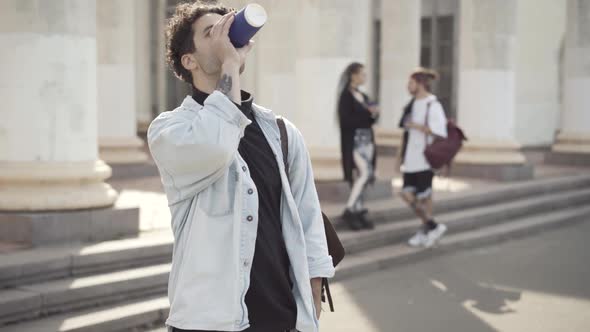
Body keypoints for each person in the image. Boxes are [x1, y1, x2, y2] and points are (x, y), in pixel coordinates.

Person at [147, 2, 335, 331]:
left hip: (280, 316)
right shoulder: (170, 130)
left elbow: (307, 213)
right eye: (212, 33)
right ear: (188, 60)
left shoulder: (281, 132)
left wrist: (315, 282)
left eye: (228, 29)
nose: (225, 38)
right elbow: (216, 147)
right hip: (207, 321)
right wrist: (229, 67)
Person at [397, 68, 448, 248]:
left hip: (425, 158)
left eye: (411, 83)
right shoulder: (411, 104)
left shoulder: (432, 104)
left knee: (424, 198)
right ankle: (432, 226)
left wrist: (417, 126)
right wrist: (399, 158)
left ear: (420, 84)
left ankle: (426, 230)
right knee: (406, 194)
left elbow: (439, 131)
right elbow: (404, 133)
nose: (408, 86)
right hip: (410, 158)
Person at [337, 63, 380, 231]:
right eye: (362, 74)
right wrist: (368, 116)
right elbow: (346, 121)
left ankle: (358, 210)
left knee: (363, 176)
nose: (365, 77)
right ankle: (350, 209)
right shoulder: (346, 96)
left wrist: (373, 114)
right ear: (353, 75)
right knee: (365, 173)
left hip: (368, 141)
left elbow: (370, 120)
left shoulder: (363, 95)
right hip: (354, 141)